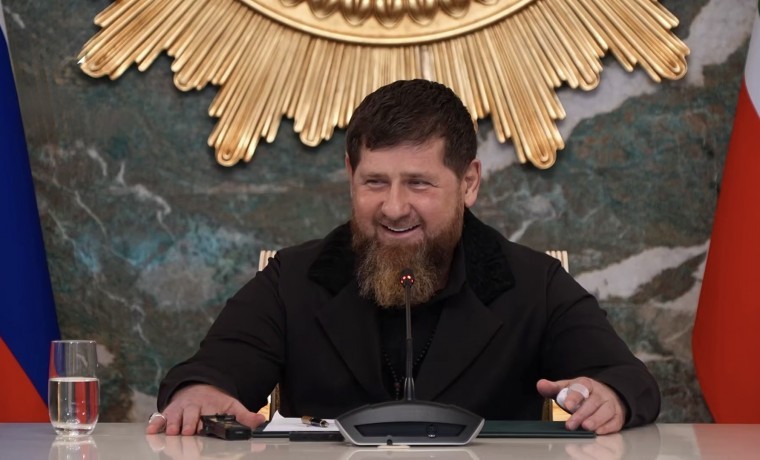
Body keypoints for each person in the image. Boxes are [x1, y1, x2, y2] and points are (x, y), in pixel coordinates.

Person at [146, 79, 660, 437]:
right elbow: (215, 368)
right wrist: (200, 393)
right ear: (350, 175)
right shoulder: (294, 278)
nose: (393, 207)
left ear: (469, 182)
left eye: (418, 183)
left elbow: (626, 378)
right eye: (375, 182)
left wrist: (608, 396)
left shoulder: (533, 283)